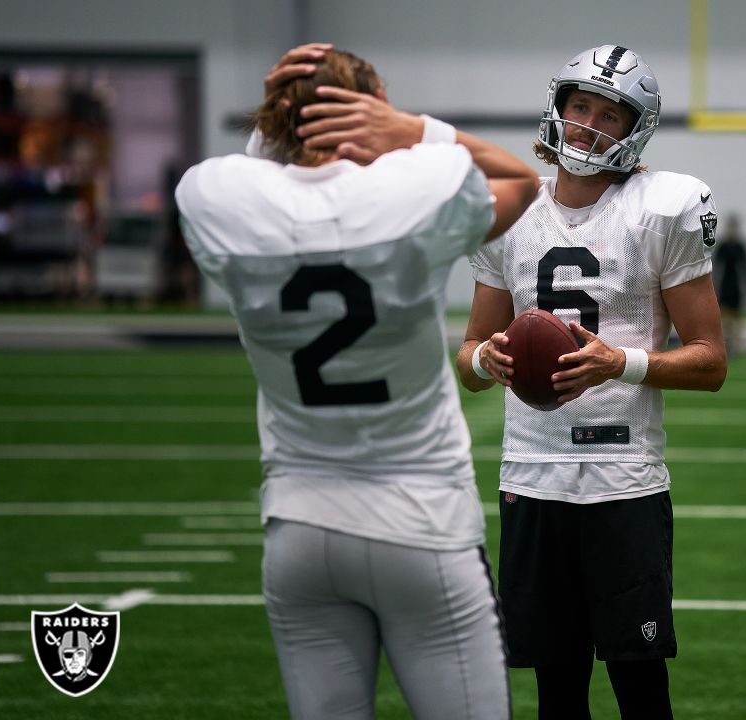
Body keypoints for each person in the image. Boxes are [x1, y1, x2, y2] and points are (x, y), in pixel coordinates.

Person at [175, 44, 538, 720]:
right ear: (371, 109)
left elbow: (258, 186)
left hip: (300, 526)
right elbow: (520, 181)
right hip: (422, 520)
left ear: (280, 119)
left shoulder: (217, 193)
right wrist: (413, 130)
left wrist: (279, 125)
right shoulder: (416, 186)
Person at [460, 45, 725, 719]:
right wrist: (483, 361)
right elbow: (468, 359)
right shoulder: (511, 212)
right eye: (580, 106)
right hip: (532, 473)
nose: (588, 125)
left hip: (622, 474)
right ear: (557, 107)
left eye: (610, 114)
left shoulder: (662, 208)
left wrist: (621, 363)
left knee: (639, 688)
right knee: (556, 692)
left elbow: (710, 360)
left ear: (635, 129)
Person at [712, 214, 746, 355]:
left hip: (736, 286)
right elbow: (714, 268)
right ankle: (726, 344)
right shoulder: (722, 246)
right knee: (725, 319)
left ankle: (734, 345)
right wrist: (713, 287)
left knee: (736, 319)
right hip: (725, 285)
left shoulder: (741, 246)